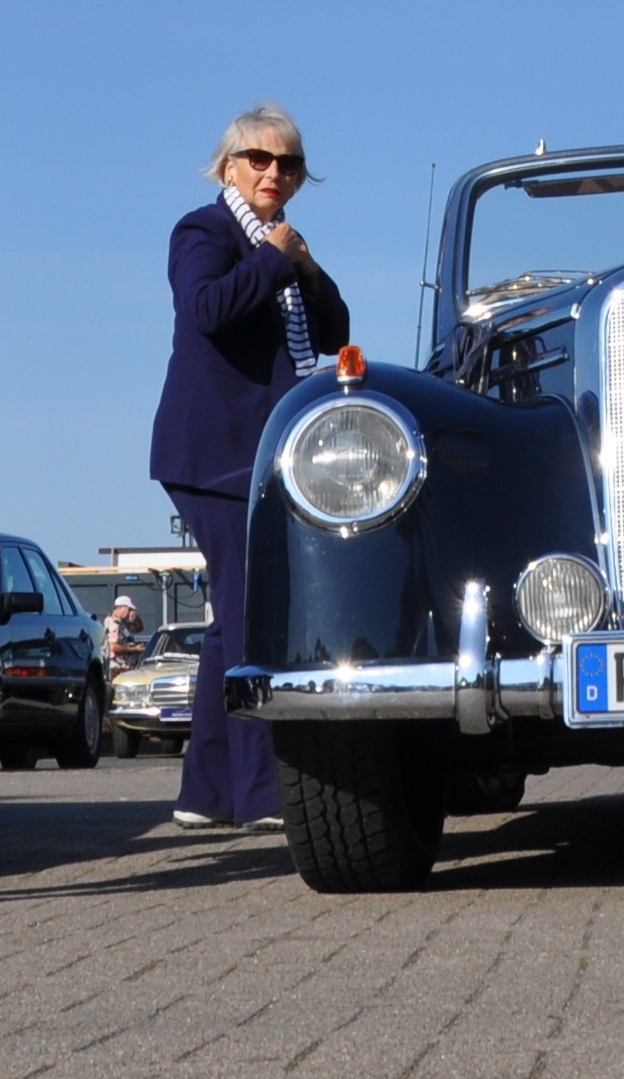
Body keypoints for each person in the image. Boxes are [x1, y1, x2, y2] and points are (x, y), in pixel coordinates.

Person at [149, 103, 345, 835]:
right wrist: (272, 259)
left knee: (229, 628)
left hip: (261, 458)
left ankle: (208, 792)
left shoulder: (282, 243)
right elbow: (205, 308)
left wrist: (305, 266)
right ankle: (267, 795)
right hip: (216, 456)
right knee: (256, 619)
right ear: (228, 165)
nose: (273, 172)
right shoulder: (205, 231)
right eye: (258, 159)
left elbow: (335, 332)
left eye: (288, 163)